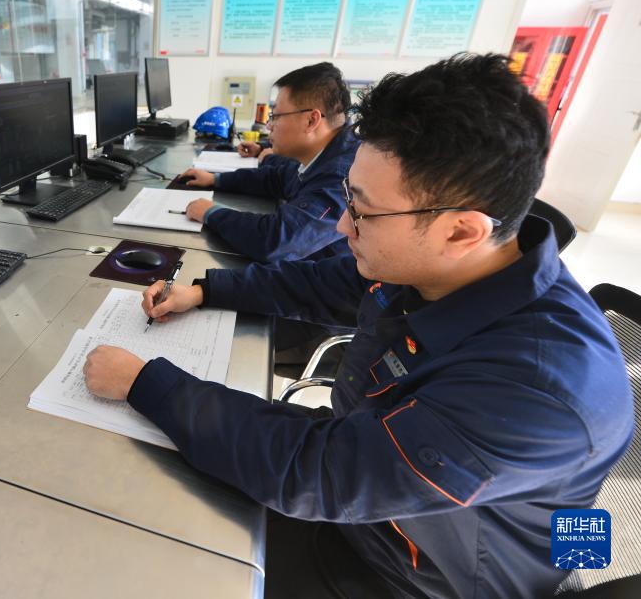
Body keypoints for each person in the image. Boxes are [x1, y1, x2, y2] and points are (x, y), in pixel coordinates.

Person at [82, 54, 634, 597]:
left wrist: (144, 383)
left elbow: (320, 473)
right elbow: (325, 283)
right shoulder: (441, 263)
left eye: (364, 211)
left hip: (407, 571)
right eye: (349, 196)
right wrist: (206, 290)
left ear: (461, 231)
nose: (344, 224)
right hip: (374, 485)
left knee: (151, 551)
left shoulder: (538, 389)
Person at [178, 63, 358, 263]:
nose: (269, 125)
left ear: (311, 120)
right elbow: (277, 178)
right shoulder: (327, 155)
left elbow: (277, 240)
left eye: (275, 116)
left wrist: (211, 212)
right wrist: (215, 179)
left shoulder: (345, 176)